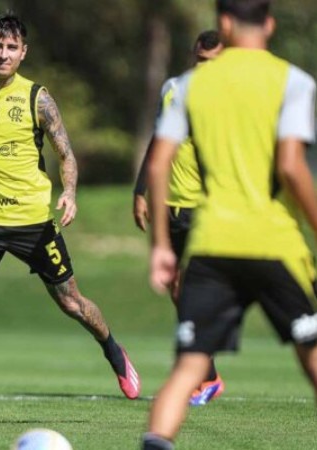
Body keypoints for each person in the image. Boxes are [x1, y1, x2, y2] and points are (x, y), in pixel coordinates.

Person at [0, 12, 140, 432]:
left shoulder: (37, 98)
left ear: (23, 52)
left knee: (71, 303)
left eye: (11, 47)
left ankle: (113, 351)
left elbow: (66, 155)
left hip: (33, 223)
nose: (2, 54)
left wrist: (70, 192)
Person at [142, 1, 317, 448]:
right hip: (274, 243)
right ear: (271, 23)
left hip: (212, 242)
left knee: (187, 369)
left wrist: (162, 245)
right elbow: (293, 169)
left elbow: (159, 165)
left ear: (223, 23)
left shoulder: (187, 86)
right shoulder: (294, 83)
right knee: (312, 355)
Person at [133, 30, 225, 406]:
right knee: (178, 290)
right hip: (172, 207)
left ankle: (201, 375)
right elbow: (159, 140)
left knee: (196, 294)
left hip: (208, 209)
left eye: (213, 63)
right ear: (192, 57)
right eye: (201, 61)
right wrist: (140, 190)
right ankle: (210, 375)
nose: (205, 69)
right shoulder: (173, 88)